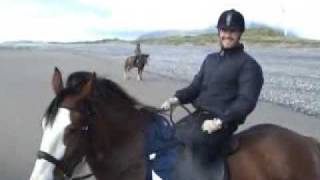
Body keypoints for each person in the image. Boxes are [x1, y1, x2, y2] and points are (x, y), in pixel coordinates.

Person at [161, 9, 264, 164]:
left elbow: (246, 101)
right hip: (199, 117)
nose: (227, 35)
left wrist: (220, 121)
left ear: (240, 33)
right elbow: (195, 87)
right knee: (169, 137)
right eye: (224, 30)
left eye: (233, 31)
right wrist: (176, 98)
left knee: (194, 152)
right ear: (218, 32)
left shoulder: (249, 65)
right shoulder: (210, 59)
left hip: (223, 123)